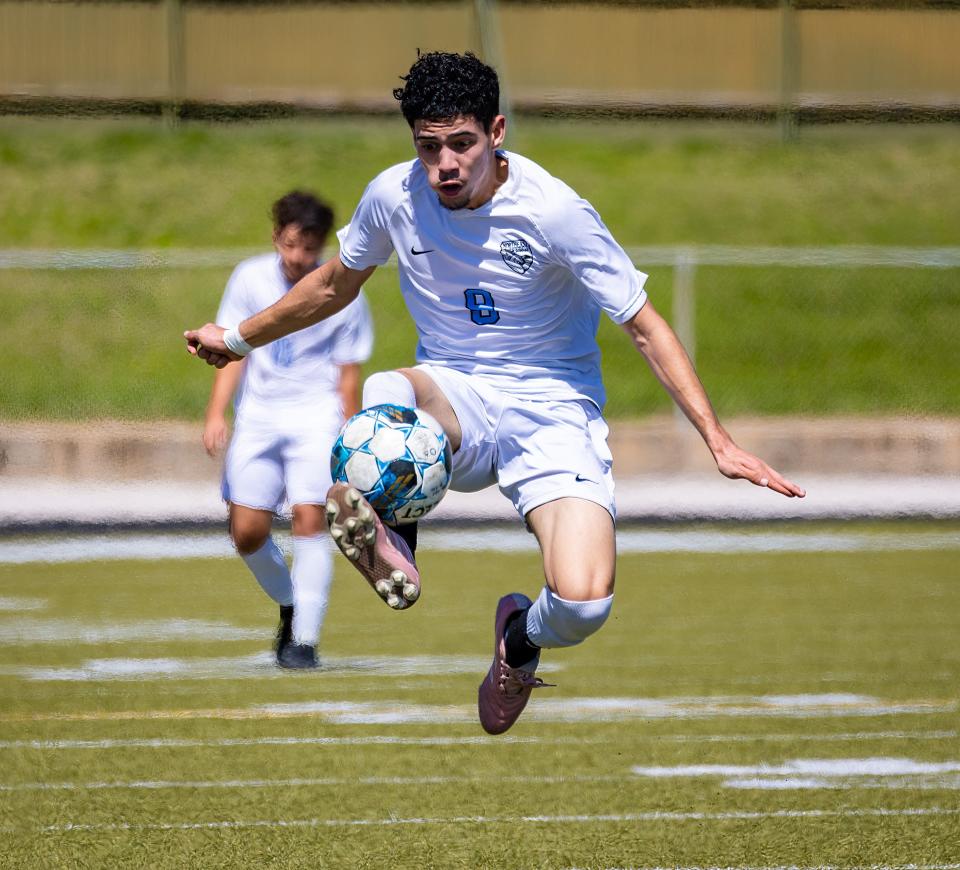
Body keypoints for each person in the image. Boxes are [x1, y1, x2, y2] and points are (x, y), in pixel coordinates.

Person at [185, 52, 804, 728]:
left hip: (554, 413)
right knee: (388, 387)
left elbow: (645, 327)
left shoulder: (556, 212)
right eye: (428, 146)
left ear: (497, 132)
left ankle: (519, 641)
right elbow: (334, 285)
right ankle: (396, 544)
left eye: (461, 144)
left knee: (584, 603)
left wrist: (718, 439)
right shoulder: (394, 197)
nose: (444, 163)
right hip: (455, 397)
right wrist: (239, 339)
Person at [202, 190, 373, 669]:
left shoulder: (342, 289)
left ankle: (304, 641)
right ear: (277, 236)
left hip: (316, 417)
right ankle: (292, 603)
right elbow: (232, 349)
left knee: (310, 520)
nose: (300, 258)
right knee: (247, 533)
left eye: (310, 249)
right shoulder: (249, 277)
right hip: (258, 417)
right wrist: (217, 413)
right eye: (292, 245)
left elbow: (348, 375)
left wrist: (348, 439)